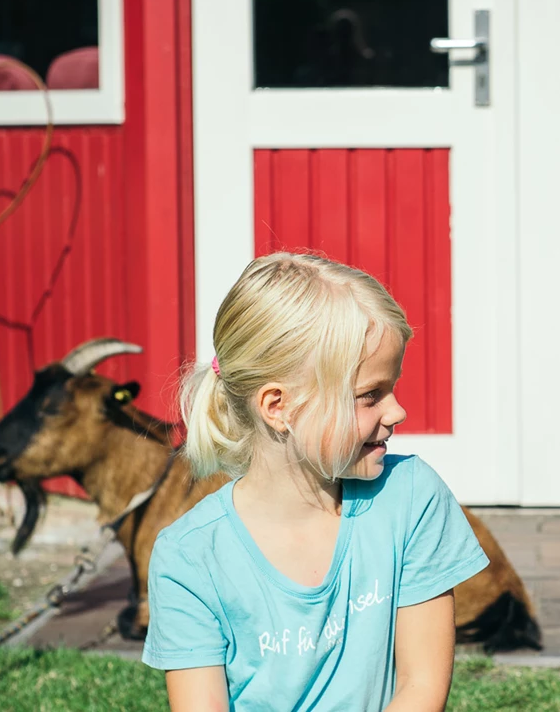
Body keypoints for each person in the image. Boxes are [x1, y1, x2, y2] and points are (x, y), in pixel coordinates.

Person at [141, 252, 489, 711]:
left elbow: (420, 688)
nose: (397, 411)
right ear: (278, 406)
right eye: (369, 395)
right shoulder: (188, 558)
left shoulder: (411, 498)